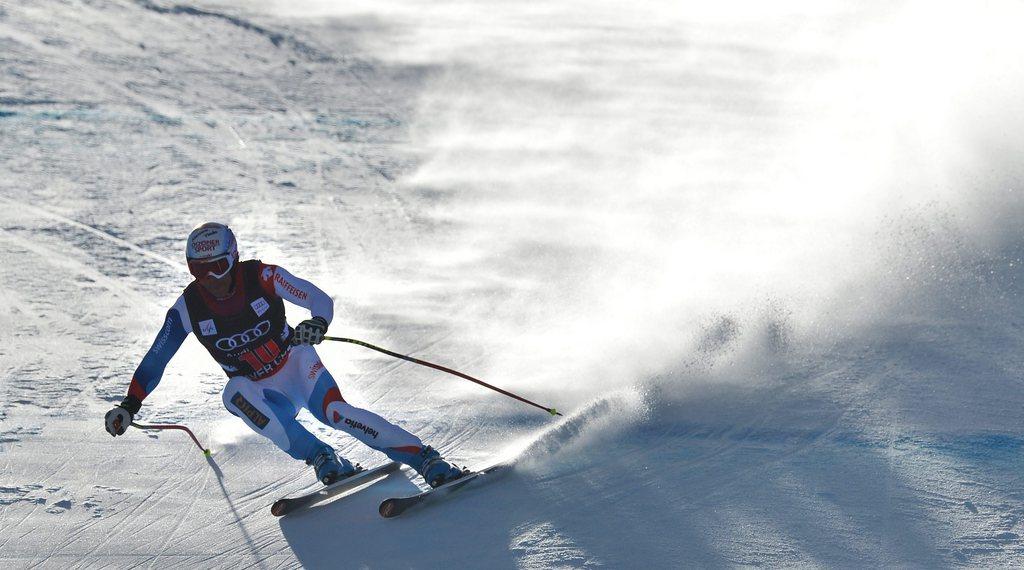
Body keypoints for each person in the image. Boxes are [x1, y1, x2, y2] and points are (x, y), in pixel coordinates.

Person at [104, 222, 463, 487]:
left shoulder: (262, 276)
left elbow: (316, 297)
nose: (211, 277)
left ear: (234, 258)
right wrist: (129, 405)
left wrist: (317, 323)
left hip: (295, 364)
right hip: (264, 393)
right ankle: (322, 456)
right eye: (200, 270)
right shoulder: (188, 307)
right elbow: (156, 359)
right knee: (234, 394)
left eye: (219, 266)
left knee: (336, 413)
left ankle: (425, 458)